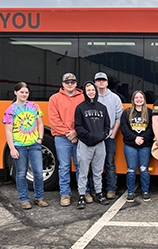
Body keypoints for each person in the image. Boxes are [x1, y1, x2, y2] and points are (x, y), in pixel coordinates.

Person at [3, 82, 48, 209]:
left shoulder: (34, 106)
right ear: (15, 92)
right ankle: (24, 199)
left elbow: (40, 124)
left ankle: (39, 198)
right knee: (21, 173)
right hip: (19, 146)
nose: (24, 95)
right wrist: (12, 148)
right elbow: (8, 131)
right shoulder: (10, 110)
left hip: (34, 144)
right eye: (22, 92)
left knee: (38, 172)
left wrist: (40, 139)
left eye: (26, 92)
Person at [48, 73, 85, 207]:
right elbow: (54, 120)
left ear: (76, 83)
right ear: (62, 84)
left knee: (81, 166)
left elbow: (85, 118)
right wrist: (69, 133)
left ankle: (83, 192)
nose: (70, 84)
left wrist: (76, 132)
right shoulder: (54, 99)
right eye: (67, 82)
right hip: (61, 138)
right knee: (64, 167)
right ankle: (65, 194)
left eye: (72, 82)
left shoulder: (83, 97)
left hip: (79, 137)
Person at [74, 81, 111, 209]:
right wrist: (90, 136)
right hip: (85, 143)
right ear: (85, 92)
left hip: (100, 144)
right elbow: (78, 127)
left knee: (98, 171)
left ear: (96, 91)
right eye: (88, 90)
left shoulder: (102, 107)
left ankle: (99, 193)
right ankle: (81, 195)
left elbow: (107, 125)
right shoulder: (80, 108)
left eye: (93, 90)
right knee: (83, 171)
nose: (91, 92)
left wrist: (103, 135)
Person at [94, 72, 123, 200]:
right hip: (94, 137)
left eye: (103, 80)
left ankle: (111, 189)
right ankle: (95, 189)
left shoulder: (115, 98)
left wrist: (113, 135)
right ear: (95, 83)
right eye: (98, 80)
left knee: (110, 163)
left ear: (107, 82)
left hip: (109, 136)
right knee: (95, 163)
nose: (101, 82)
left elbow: (119, 117)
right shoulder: (91, 97)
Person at [121, 90, 154, 202]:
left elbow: (151, 128)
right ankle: (130, 192)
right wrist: (135, 138)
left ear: (144, 99)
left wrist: (142, 138)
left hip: (145, 145)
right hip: (130, 145)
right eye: (136, 98)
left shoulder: (149, 112)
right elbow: (124, 129)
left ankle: (145, 191)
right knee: (131, 170)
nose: (139, 100)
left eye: (141, 97)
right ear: (133, 100)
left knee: (144, 169)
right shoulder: (127, 112)